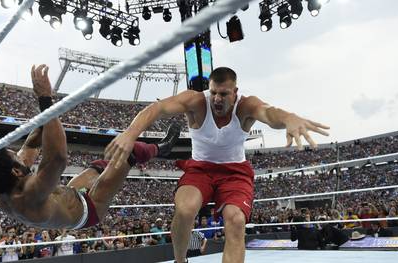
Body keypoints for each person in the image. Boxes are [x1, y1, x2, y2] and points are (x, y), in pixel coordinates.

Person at [105, 67, 329, 263]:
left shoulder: (246, 105)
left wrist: (289, 118)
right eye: (213, 92)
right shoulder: (195, 101)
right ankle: (180, 261)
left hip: (234, 171)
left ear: (235, 92)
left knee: (236, 219)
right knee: (185, 209)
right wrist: (130, 133)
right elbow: (158, 108)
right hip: (200, 168)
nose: (217, 99)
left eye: (223, 94)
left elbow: (269, 113)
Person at [0, 64, 180, 230]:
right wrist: (46, 100)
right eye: (16, 157)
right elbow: (57, 158)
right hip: (90, 211)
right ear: (16, 170)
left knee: (99, 166)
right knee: (127, 152)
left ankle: (146, 152)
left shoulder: (2, 182)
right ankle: (162, 148)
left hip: (70, 195)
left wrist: (50, 115)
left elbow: (32, 143)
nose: (20, 155)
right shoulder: (28, 194)